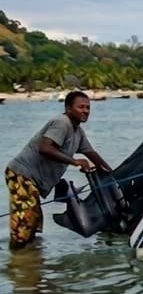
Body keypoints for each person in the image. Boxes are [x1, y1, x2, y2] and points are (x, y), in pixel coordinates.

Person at [6, 90, 111, 250]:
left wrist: (112, 174)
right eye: (81, 107)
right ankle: (17, 262)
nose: (86, 111)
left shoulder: (78, 131)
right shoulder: (62, 122)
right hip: (22, 174)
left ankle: (28, 260)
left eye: (88, 107)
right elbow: (45, 148)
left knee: (33, 221)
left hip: (32, 180)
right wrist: (75, 161)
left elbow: (92, 154)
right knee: (25, 221)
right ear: (68, 108)